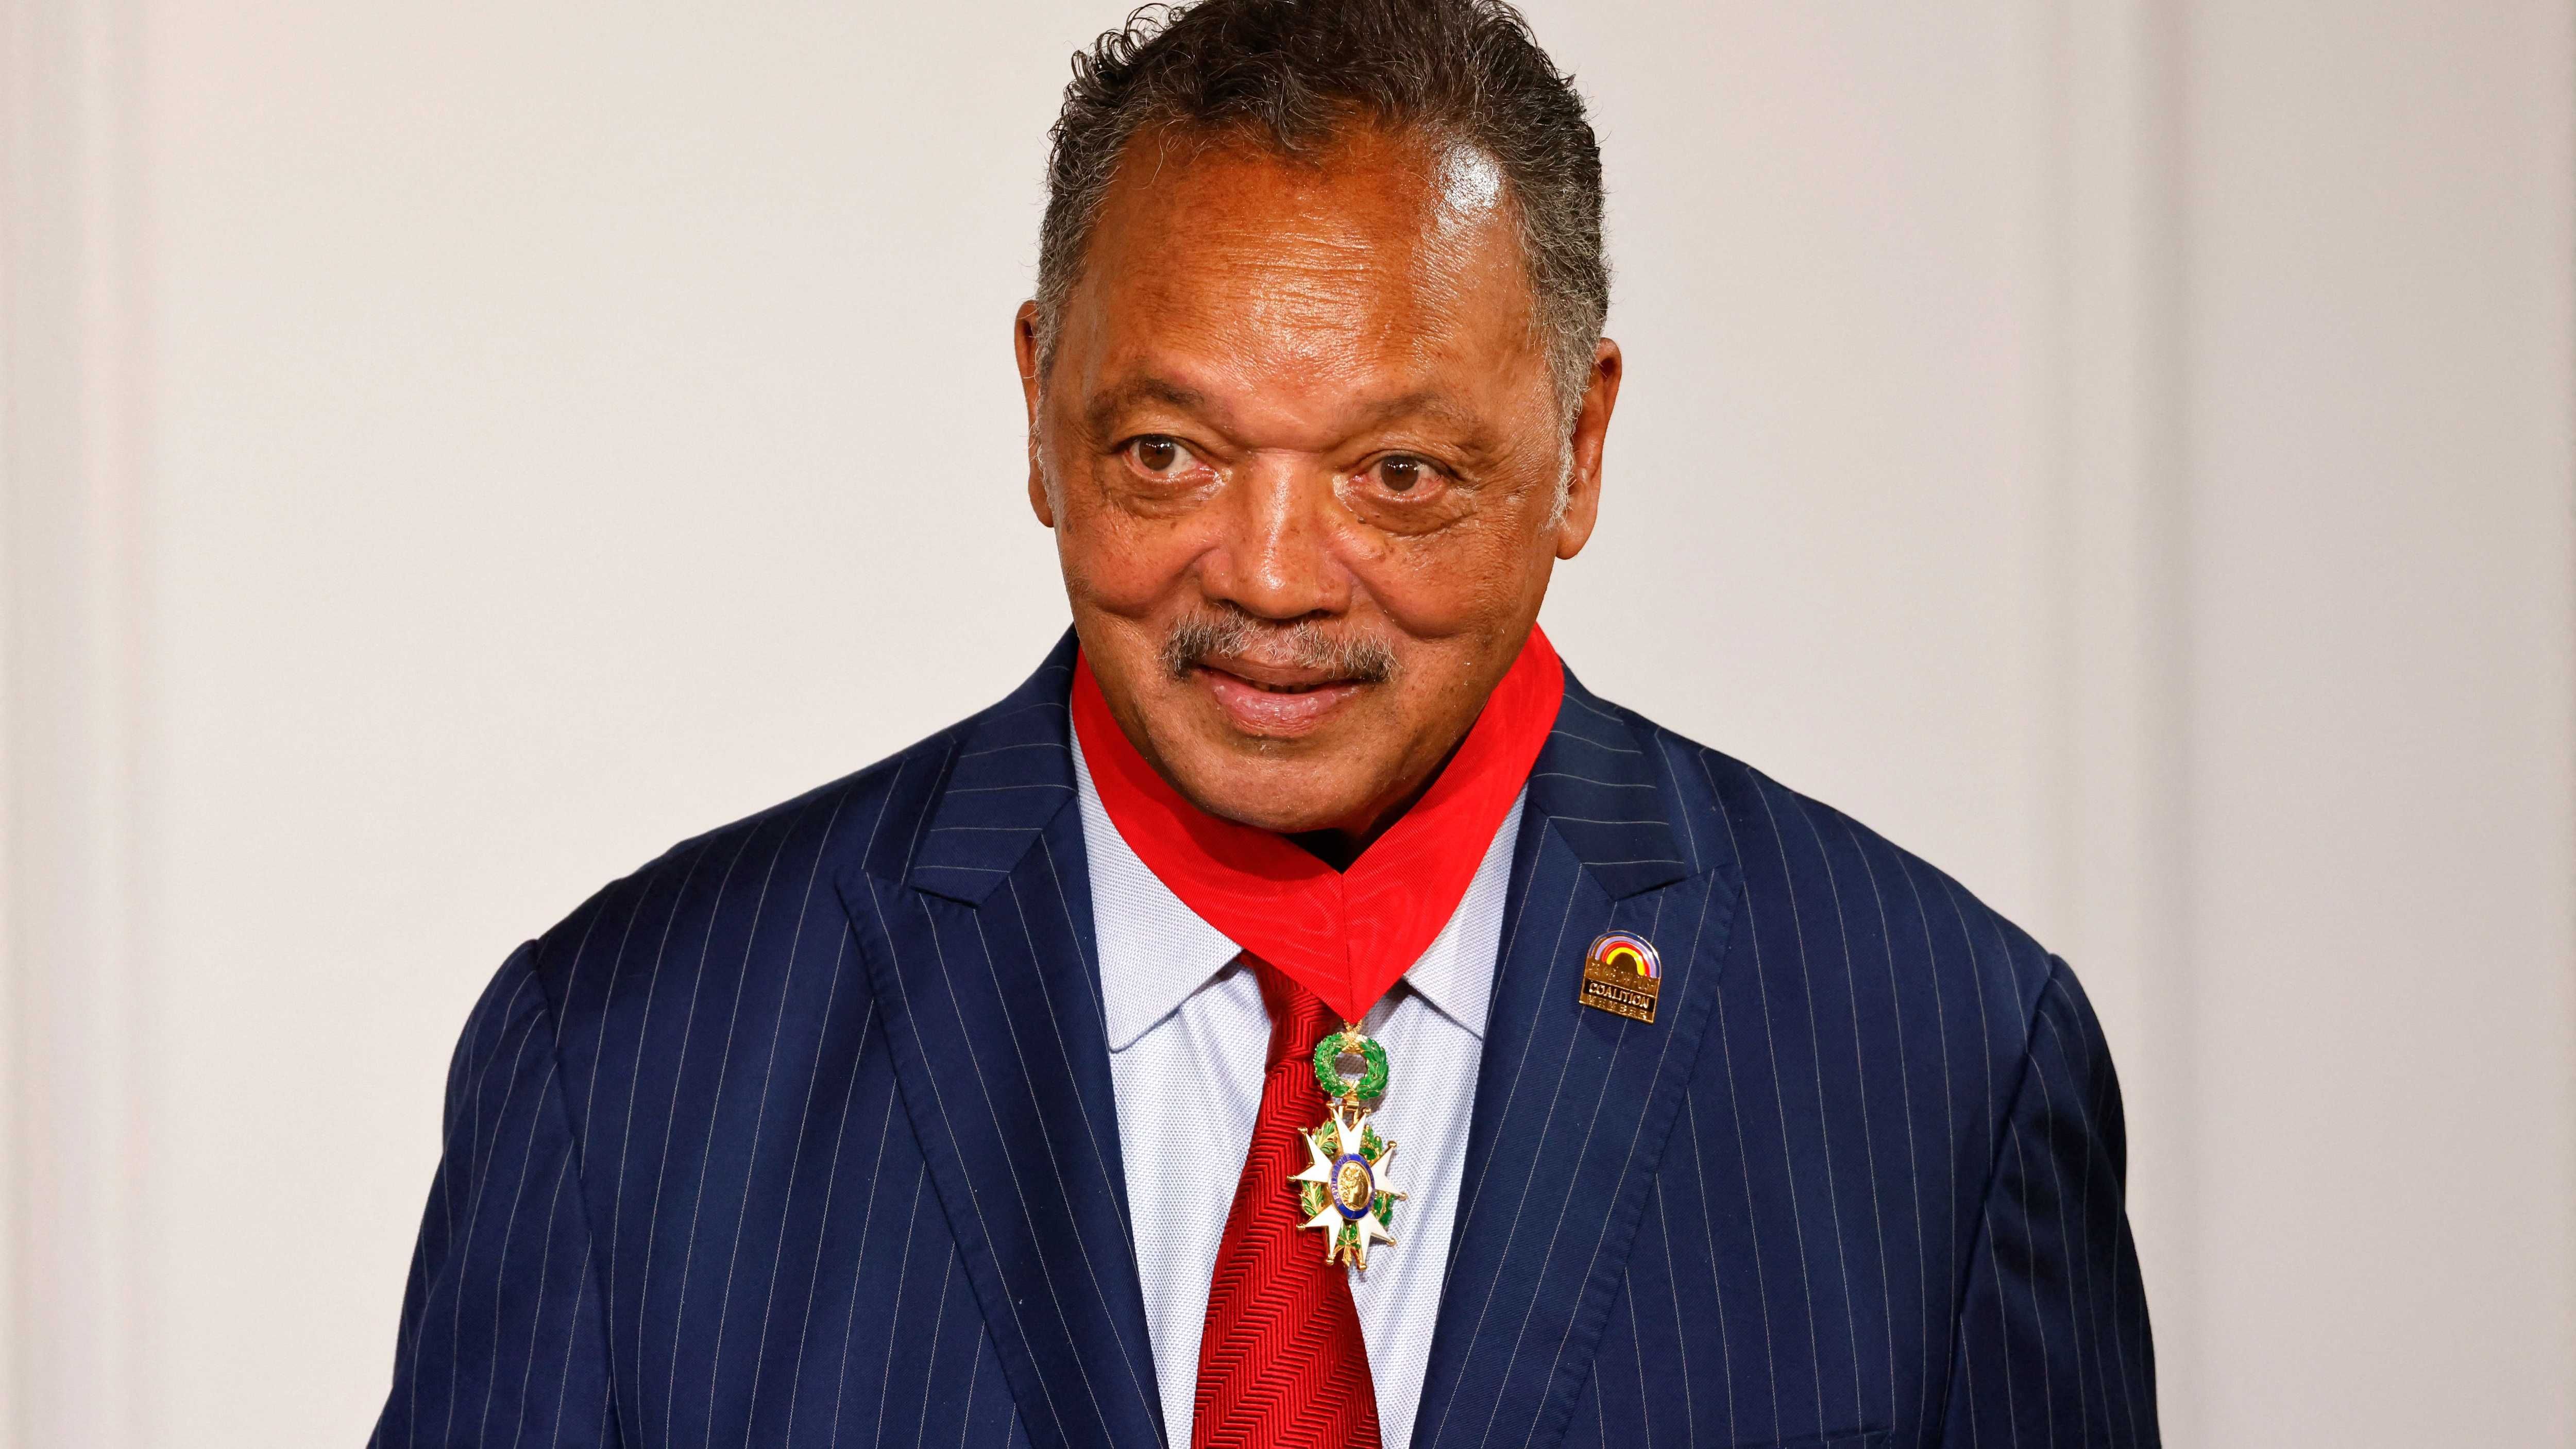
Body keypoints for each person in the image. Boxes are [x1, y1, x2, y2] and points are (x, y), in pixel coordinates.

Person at [369, 2, 2157, 1445]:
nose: (1276, 577)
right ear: (1038, 405)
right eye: (1168, 453)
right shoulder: (629, 1065)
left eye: (1401, 474)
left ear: (1580, 447)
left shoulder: (1942, 1067)